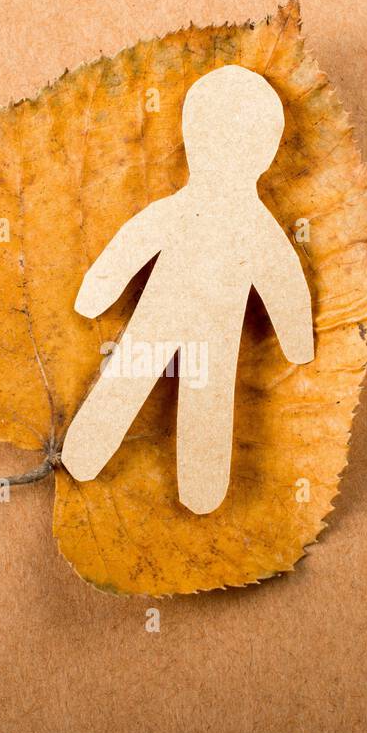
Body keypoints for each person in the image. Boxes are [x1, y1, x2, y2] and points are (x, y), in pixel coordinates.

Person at [60, 64, 314, 515]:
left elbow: (132, 243)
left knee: (150, 383)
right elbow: (284, 279)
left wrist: (95, 294)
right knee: (195, 394)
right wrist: (296, 345)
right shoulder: (252, 228)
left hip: (175, 322)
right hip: (184, 324)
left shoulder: (198, 216)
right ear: (267, 151)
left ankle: (171, 479)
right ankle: (187, 483)